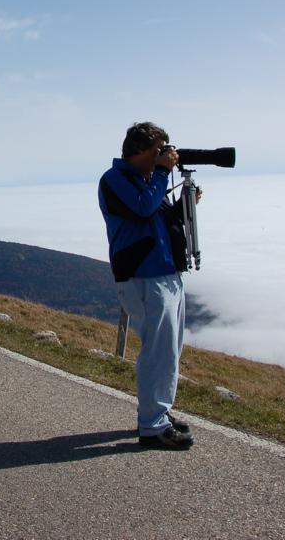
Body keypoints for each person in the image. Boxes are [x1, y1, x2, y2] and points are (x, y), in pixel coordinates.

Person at [98, 122, 201, 450]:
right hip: (144, 277)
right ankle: (152, 425)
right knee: (158, 352)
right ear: (138, 151)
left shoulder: (147, 181)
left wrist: (187, 204)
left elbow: (157, 219)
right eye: (159, 150)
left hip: (167, 274)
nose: (166, 156)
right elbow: (142, 208)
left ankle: (157, 414)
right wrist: (159, 174)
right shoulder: (114, 180)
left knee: (168, 351)